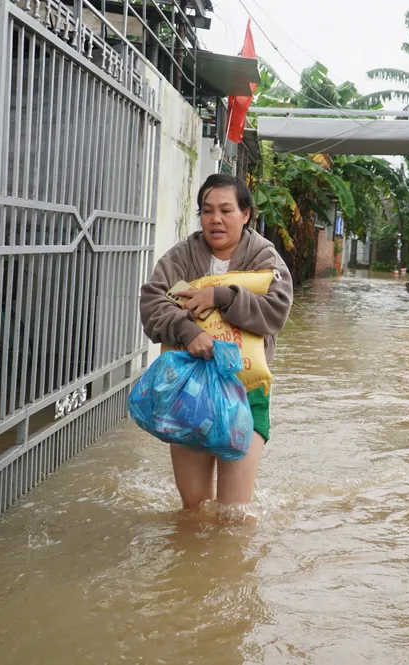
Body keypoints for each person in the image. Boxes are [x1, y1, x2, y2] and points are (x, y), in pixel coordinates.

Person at [139, 174, 294, 509]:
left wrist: (221, 296)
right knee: (194, 506)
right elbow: (152, 303)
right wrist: (188, 332)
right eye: (207, 211)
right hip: (187, 391)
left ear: (246, 214)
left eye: (226, 210)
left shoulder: (265, 259)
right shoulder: (180, 257)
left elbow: (276, 311)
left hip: (245, 390)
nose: (216, 219)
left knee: (234, 512)